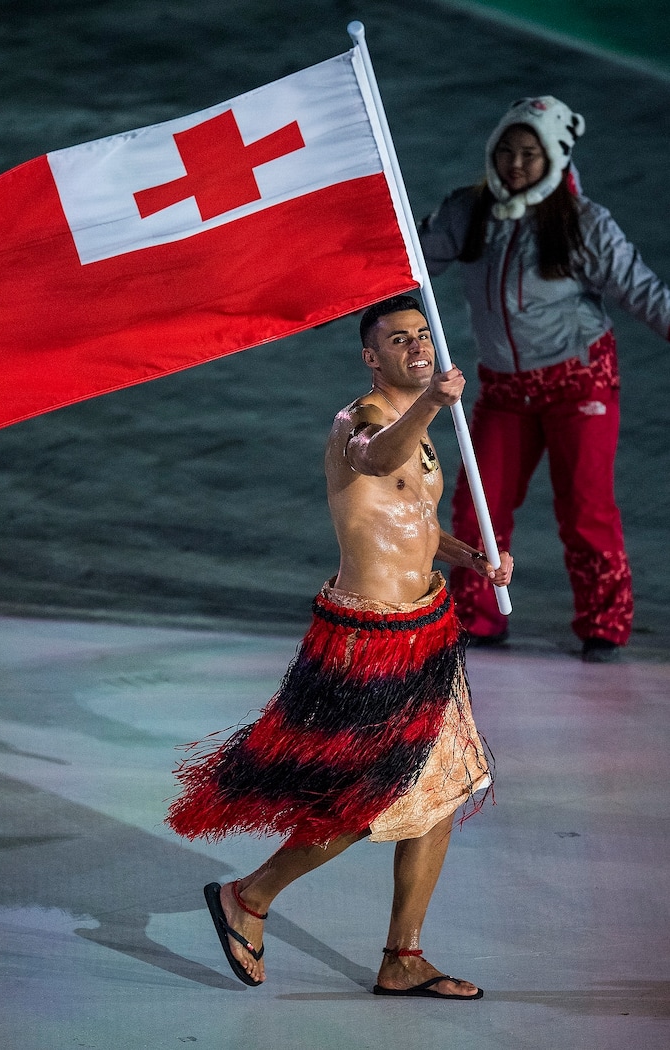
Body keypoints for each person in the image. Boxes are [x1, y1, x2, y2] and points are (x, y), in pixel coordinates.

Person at [166, 294, 513, 998]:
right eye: (399, 340)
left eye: (423, 336)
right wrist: (434, 405)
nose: (417, 347)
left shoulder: (421, 429)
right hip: (370, 642)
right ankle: (250, 898)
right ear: (371, 356)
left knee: (444, 790)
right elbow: (371, 457)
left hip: (427, 629)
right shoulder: (361, 419)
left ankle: (403, 955)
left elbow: (416, 519)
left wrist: (471, 556)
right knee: (366, 799)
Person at [419, 96, 670, 662]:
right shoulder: (469, 210)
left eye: (529, 153)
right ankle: (479, 618)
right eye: (505, 149)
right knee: (479, 505)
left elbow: (643, 291)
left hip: (579, 383)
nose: (514, 163)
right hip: (506, 389)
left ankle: (604, 623)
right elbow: (414, 256)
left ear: (554, 156)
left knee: (586, 507)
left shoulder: (583, 223)